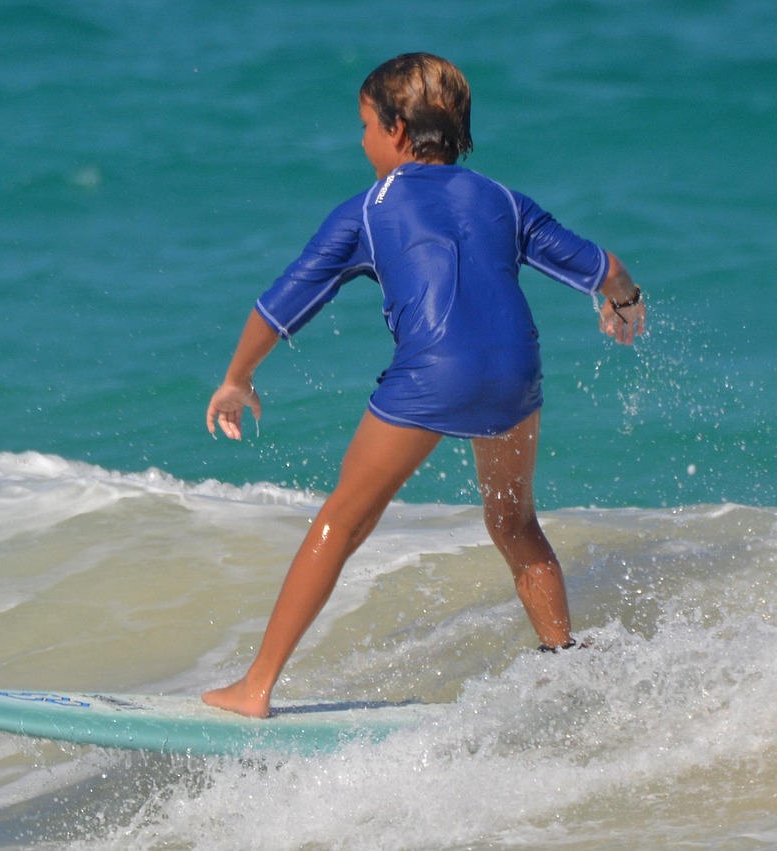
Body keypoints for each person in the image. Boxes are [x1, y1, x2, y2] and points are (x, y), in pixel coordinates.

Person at [203, 53, 646, 718]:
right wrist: (626, 304)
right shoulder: (501, 198)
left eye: (365, 126)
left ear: (399, 132)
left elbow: (280, 304)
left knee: (342, 519)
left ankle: (256, 686)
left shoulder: (368, 210)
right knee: (514, 519)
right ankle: (566, 661)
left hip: (435, 369)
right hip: (517, 370)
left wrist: (236, 379)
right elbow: (603, 266)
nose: (360, 142)